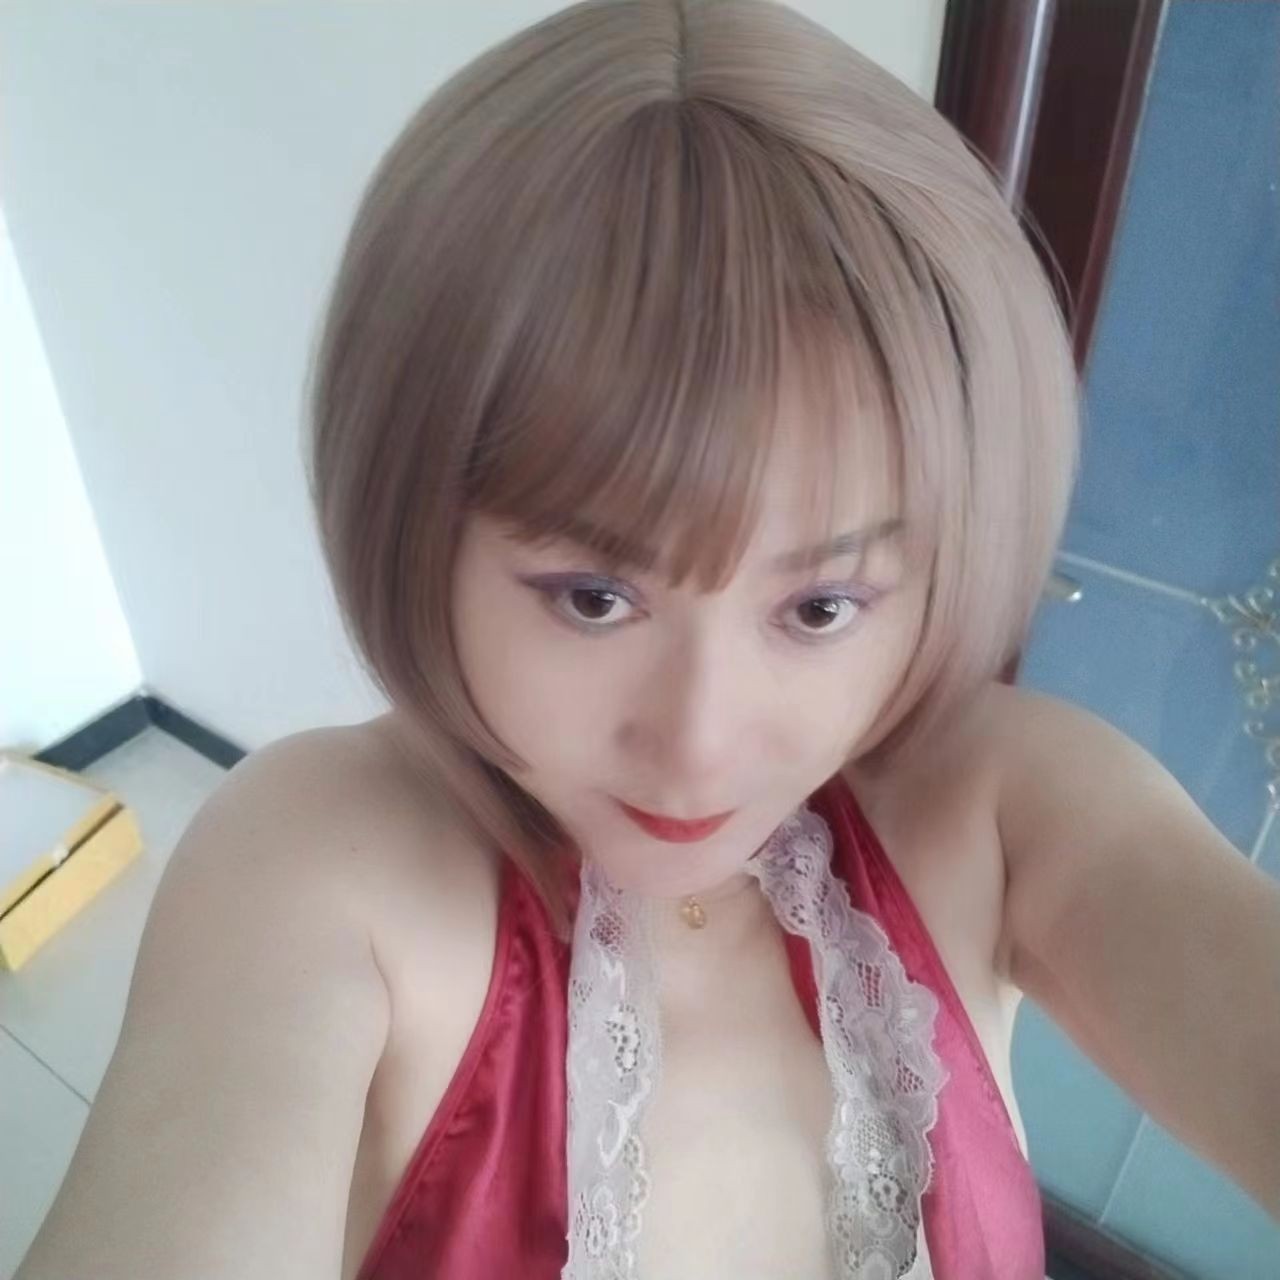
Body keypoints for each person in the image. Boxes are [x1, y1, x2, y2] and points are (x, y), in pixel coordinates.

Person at [17, 1, 1280, 1278]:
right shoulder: (320, 866)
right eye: (591, 597)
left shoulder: (1000, 808)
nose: (697, 744)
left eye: (818, 606)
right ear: (413, 527)